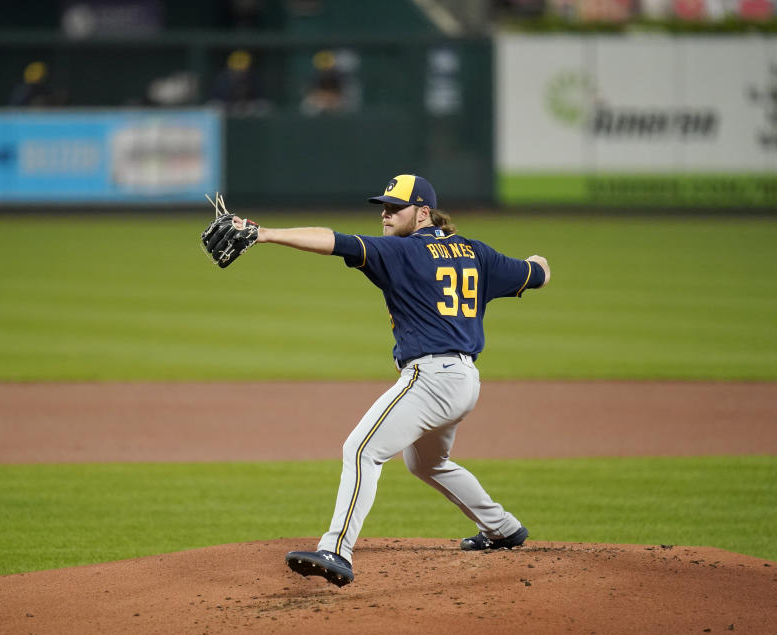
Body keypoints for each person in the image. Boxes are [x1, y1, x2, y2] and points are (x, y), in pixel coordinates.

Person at [233, 174, 551, 587]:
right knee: (427, 462)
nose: (384, 214)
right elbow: (537, 273)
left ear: (422, 213)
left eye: (394, 208)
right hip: (466, 381)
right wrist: (539, 260)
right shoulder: (476, 253)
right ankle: (502, 528)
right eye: (382, 206)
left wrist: (263, 234)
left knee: (361, 449)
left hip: (431, 378)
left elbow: (333, 240)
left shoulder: (401, 252)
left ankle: (336, 549)